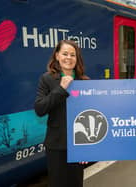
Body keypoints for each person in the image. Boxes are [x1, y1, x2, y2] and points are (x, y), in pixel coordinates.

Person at [34, 40, 89, 187]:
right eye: (65, 54)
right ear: (57, 56)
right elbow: (40, 109)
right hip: (56, 144)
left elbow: (90, 115)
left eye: (73, 55)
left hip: (78, 143)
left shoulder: (85, 81)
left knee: (76, 183)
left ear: (77, 58)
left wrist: (87, 148)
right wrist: (61, 89)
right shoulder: (47, 79)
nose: (69, 58)